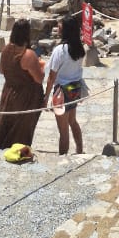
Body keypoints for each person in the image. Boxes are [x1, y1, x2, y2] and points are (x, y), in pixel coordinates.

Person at [0, 19, 45, 151]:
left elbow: (1, 70)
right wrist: (41, 66)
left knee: (8, 125)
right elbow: (39, 79)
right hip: (26, 97)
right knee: (23, 129)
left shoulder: (6, 50)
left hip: (9, 93)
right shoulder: (28, 54)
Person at [44, 17, 85, 155]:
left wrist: (46, 97)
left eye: (60, 27)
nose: (58, 28)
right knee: (72, 121)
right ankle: (79, 149)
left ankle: (63, 157)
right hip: (74, 89)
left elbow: (51, 77)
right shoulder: (79, 48)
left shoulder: (60, 50)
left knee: (63, 130)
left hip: (61, 92)